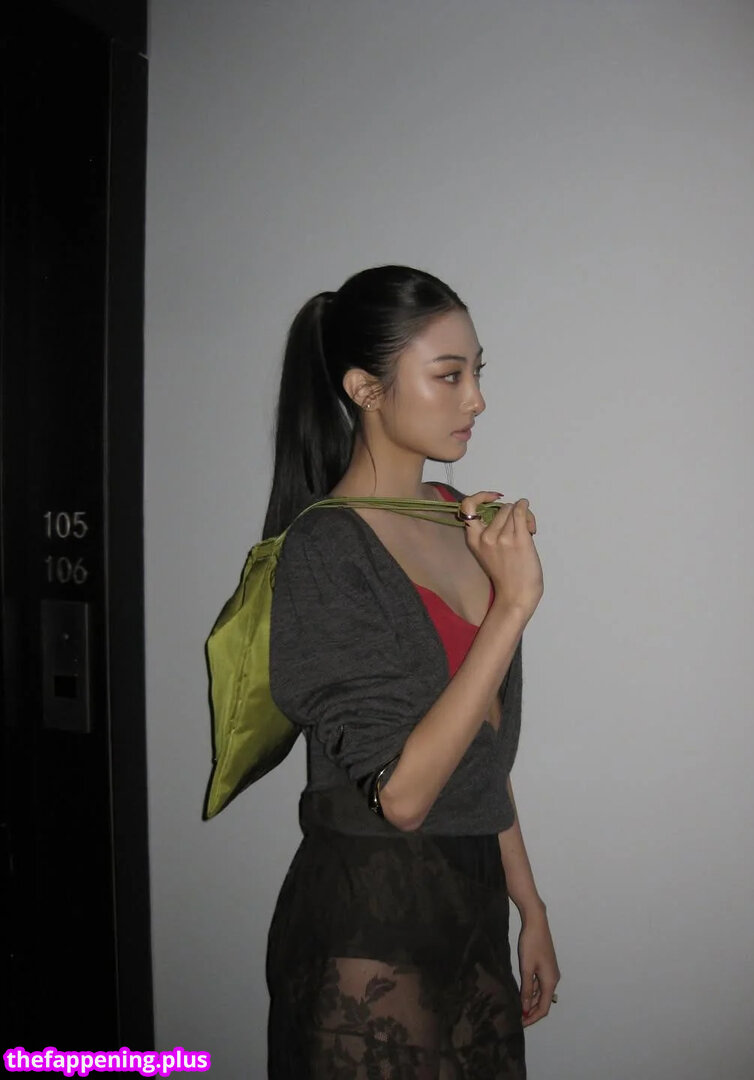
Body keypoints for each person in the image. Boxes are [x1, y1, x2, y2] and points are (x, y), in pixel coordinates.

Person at [264, 265, 560, 1078]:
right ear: (366, 389)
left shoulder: (457, 517)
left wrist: (528, 902)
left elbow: (479, 748)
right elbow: (400, 795)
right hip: (371, 913)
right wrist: (511, 607)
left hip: (473, 898)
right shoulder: (326, 549)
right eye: (449, 375)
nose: (477, 400)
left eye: (477, 373)